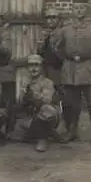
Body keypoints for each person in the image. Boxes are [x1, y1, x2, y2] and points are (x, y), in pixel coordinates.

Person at [54, 0, 91, 145]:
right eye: (76, 8)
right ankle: (72, 131)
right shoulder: (65, 30)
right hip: (70, 69)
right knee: (71, 103)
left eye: (82, 8)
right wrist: (68, 60)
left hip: (89, 68)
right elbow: (58, 49)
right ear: (72, 10)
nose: (79, 10)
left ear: (87, 10)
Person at [8, 54, 62, 152]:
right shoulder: (26, 83)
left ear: (41, 67)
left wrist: (34, 95)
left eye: (36, 65)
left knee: (47, 110)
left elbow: (47, 100)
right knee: (14, 136)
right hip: (33, 117)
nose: (33, 68)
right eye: (31, 65)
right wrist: (24, 98)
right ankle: (48, 133)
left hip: (48, 116)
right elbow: (20, 103)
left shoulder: (47, 82)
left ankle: (42, 140)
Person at [36, 8, 68, 138]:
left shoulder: (63, 34)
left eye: (54, 18)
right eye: (48, 18)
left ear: (58, 19)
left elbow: (63, 54)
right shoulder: (43, 34)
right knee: (46, 98)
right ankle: (46, 127)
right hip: (46, 69)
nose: (51, 20)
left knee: (60, 98)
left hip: (58, 69)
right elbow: (39, 51)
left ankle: (62, 128)